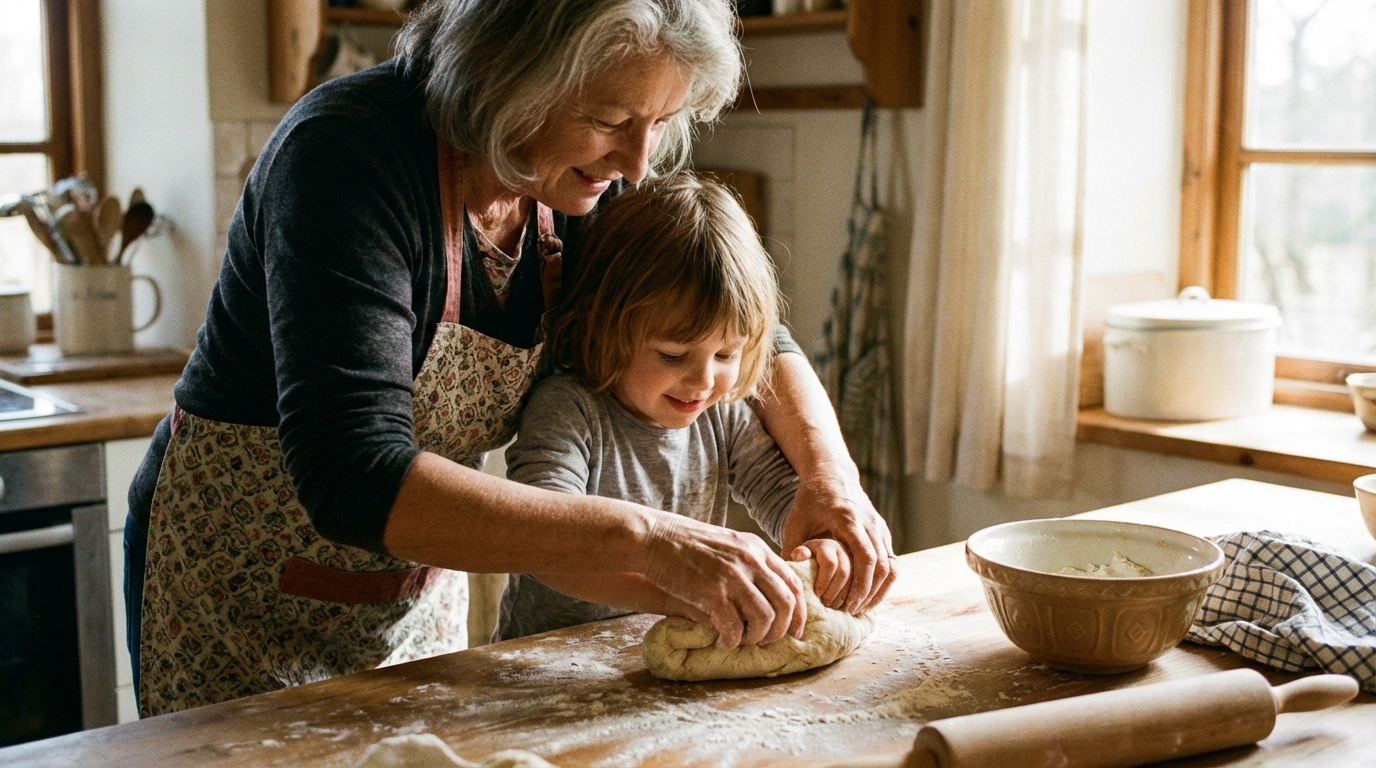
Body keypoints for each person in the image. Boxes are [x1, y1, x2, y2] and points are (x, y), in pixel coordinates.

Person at [124, 0, 895, 718]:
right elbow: (353, 475)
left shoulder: (583, 178)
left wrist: (831, 480)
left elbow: (751, 331)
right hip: (241, 588)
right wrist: (653, 542)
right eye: (609, 120)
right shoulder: (346, 156)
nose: (636, 162)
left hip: (415, 587)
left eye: (660, 123)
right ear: (508, 77)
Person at [495, 174, 853, 641]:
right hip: (546, 658)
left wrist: (820, 546)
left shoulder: (722, 414)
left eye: (726, 354)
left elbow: (787, 500)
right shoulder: (568, 411)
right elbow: (544, 548)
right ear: (604, 326)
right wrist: (674, 594)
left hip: (663, 656)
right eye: (673, 355)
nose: (703, 381)